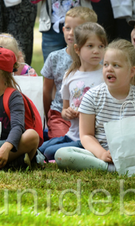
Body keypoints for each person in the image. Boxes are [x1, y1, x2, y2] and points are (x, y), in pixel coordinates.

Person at [55, 40, 135, 173]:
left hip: (132, 155)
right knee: (62, 154)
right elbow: (86, 135)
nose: (109, 69)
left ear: (132, 71)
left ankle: (121, 168)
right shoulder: (92, 96)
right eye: (106, 64)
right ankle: (109, 168)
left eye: (116, 65)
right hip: (98, 155)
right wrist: (102, 154)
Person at [38, 22, 106, 161]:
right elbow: (64, 110)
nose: (96, 51)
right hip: (71, 135)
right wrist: (67, 113)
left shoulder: (105, 76)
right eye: (90, 46)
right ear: (77, 49)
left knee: (50, 152)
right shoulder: (70, 75)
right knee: (40, 148)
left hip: (91, 138)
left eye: (101, 46)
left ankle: (89, 153)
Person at [40, 7, 97, 140]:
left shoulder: (98, 60)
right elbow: (46, 91)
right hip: (60, 115)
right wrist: (48, 117)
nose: (71, 33)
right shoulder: (54, 58)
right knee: (62, 141)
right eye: (67, 28)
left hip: (91, 116)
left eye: (77, 29)